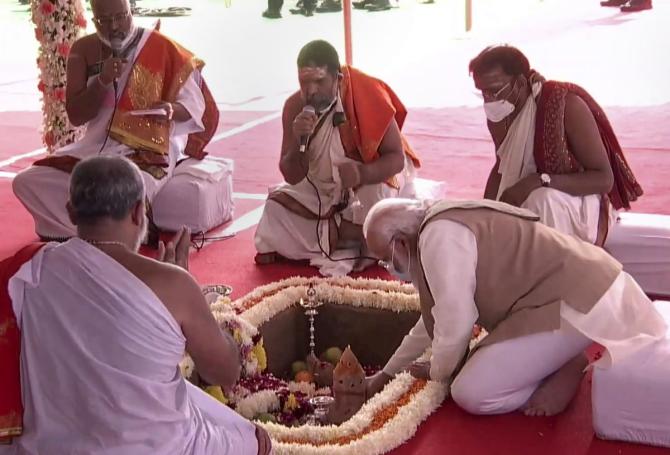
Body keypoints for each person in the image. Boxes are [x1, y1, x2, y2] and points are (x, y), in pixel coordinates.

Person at [0, 156, 270, 454]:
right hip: (158, 448)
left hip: (51, 446)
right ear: (139, 212)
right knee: (255, 440)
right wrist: (190, 295)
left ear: (70, 213)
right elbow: (225, 372)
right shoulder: (174, 286)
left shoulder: (31, 271)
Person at [363, 198, 667, 416]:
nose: (388, 266)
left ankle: (555, 373)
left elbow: (456, 322)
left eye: (385, 258)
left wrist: (439, 372)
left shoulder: (438, 238)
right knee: (465, 368)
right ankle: (558, 360)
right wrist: (387, 373)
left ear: (400, 243)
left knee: (470, 392)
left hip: (574, 301)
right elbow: (433, 319)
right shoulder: (435, 227)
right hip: (555, 302)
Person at [12, 0, 219, 241]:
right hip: (93, 147)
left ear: (131, 10)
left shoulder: (160, 47)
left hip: (149, 145)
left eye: (120, 17)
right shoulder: (83, 50)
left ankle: (113, 237)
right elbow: (77, 116)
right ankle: (77, 235)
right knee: (26, 181)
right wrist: (101, 81)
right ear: (94, 19)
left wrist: (170, 110)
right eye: (105, 20)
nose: (114, 26)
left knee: (130, 186)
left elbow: (195, 106)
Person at [254, 40, 420, 276]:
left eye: (319, 82)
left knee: (377, 201)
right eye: (304, 82)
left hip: (371, 178)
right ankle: (355, 235)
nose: (310, 91)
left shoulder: (367, 93)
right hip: (323, 188)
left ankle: (344, 233)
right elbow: (291, 176)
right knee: (274, 208)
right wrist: (299, 138)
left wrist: (362, 173)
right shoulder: (294, 107)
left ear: (338, 79)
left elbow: (395, 159)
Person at [470, 45, 642, 246]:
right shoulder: (500, 116)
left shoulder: (566, 106)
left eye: (494, 91)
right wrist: (485, 212)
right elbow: (502, 167)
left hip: (580, 200)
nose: (488, 100)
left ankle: (560, 269)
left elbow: (604, 179)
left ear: (520, 83)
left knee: (542, 199)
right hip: (528, 193)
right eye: (482, 93)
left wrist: (539, 180)